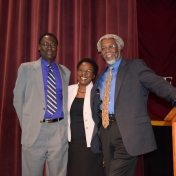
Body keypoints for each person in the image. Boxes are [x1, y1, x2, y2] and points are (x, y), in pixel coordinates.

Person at [90, 34, 176, 176]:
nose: (108, 50)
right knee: (112, 172)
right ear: (100, 53)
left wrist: (173, 94)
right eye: (104, 48)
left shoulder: (135, 66)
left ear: (119, 48)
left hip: (128, 131)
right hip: (105, 131)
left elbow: (156, 83)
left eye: (111, 46)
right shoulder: (100, 77)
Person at [13, 32, 70, 176]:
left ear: (57, 47)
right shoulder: (26, 68)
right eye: (45, 44)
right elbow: (18, 99)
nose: (49, 47)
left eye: (52, 44)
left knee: (58, 173)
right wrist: (28, 124)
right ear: (39, 47)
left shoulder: (65, 71)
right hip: (35, 131)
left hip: (59, 130)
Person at [67, 58, 105, 176]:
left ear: (93, 75)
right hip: (70, 145)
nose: (84, 74)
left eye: (88, 71)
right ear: (77, 71)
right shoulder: (68, 90)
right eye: (81, 70)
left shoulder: (99, 92)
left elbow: (103, 122)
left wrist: (105, 150)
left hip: (90, 146)